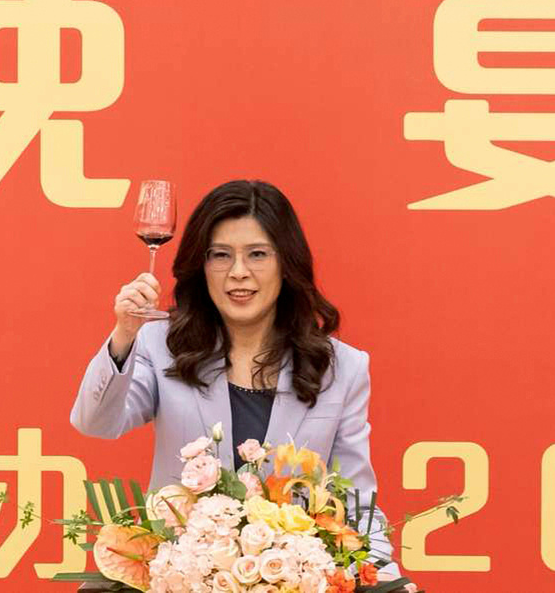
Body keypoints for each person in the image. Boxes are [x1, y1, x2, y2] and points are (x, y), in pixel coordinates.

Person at [70, 180, 402, 581]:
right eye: (221, 256)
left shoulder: (341, 368)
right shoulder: (162, 345)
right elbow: (96, 422)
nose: (238, 273)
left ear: (286, 264)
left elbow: (357, 508)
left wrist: (390, 584)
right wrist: (124, 333)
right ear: (201, 265)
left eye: (257, 255)